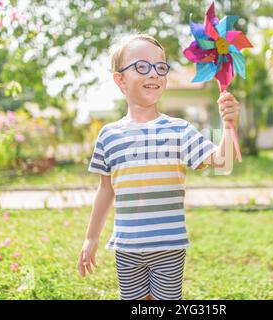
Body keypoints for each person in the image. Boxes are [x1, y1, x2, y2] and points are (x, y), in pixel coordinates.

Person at [77, 33, 240, 300]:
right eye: (142, 66)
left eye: (160, 67)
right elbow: (105, 190)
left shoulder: (179, 130)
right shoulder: (108, 135)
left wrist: (229, 126)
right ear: (120, 79)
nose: (154, 74)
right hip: (127, 248)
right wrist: (91, 238)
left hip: (169, 247)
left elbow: (222, 161)